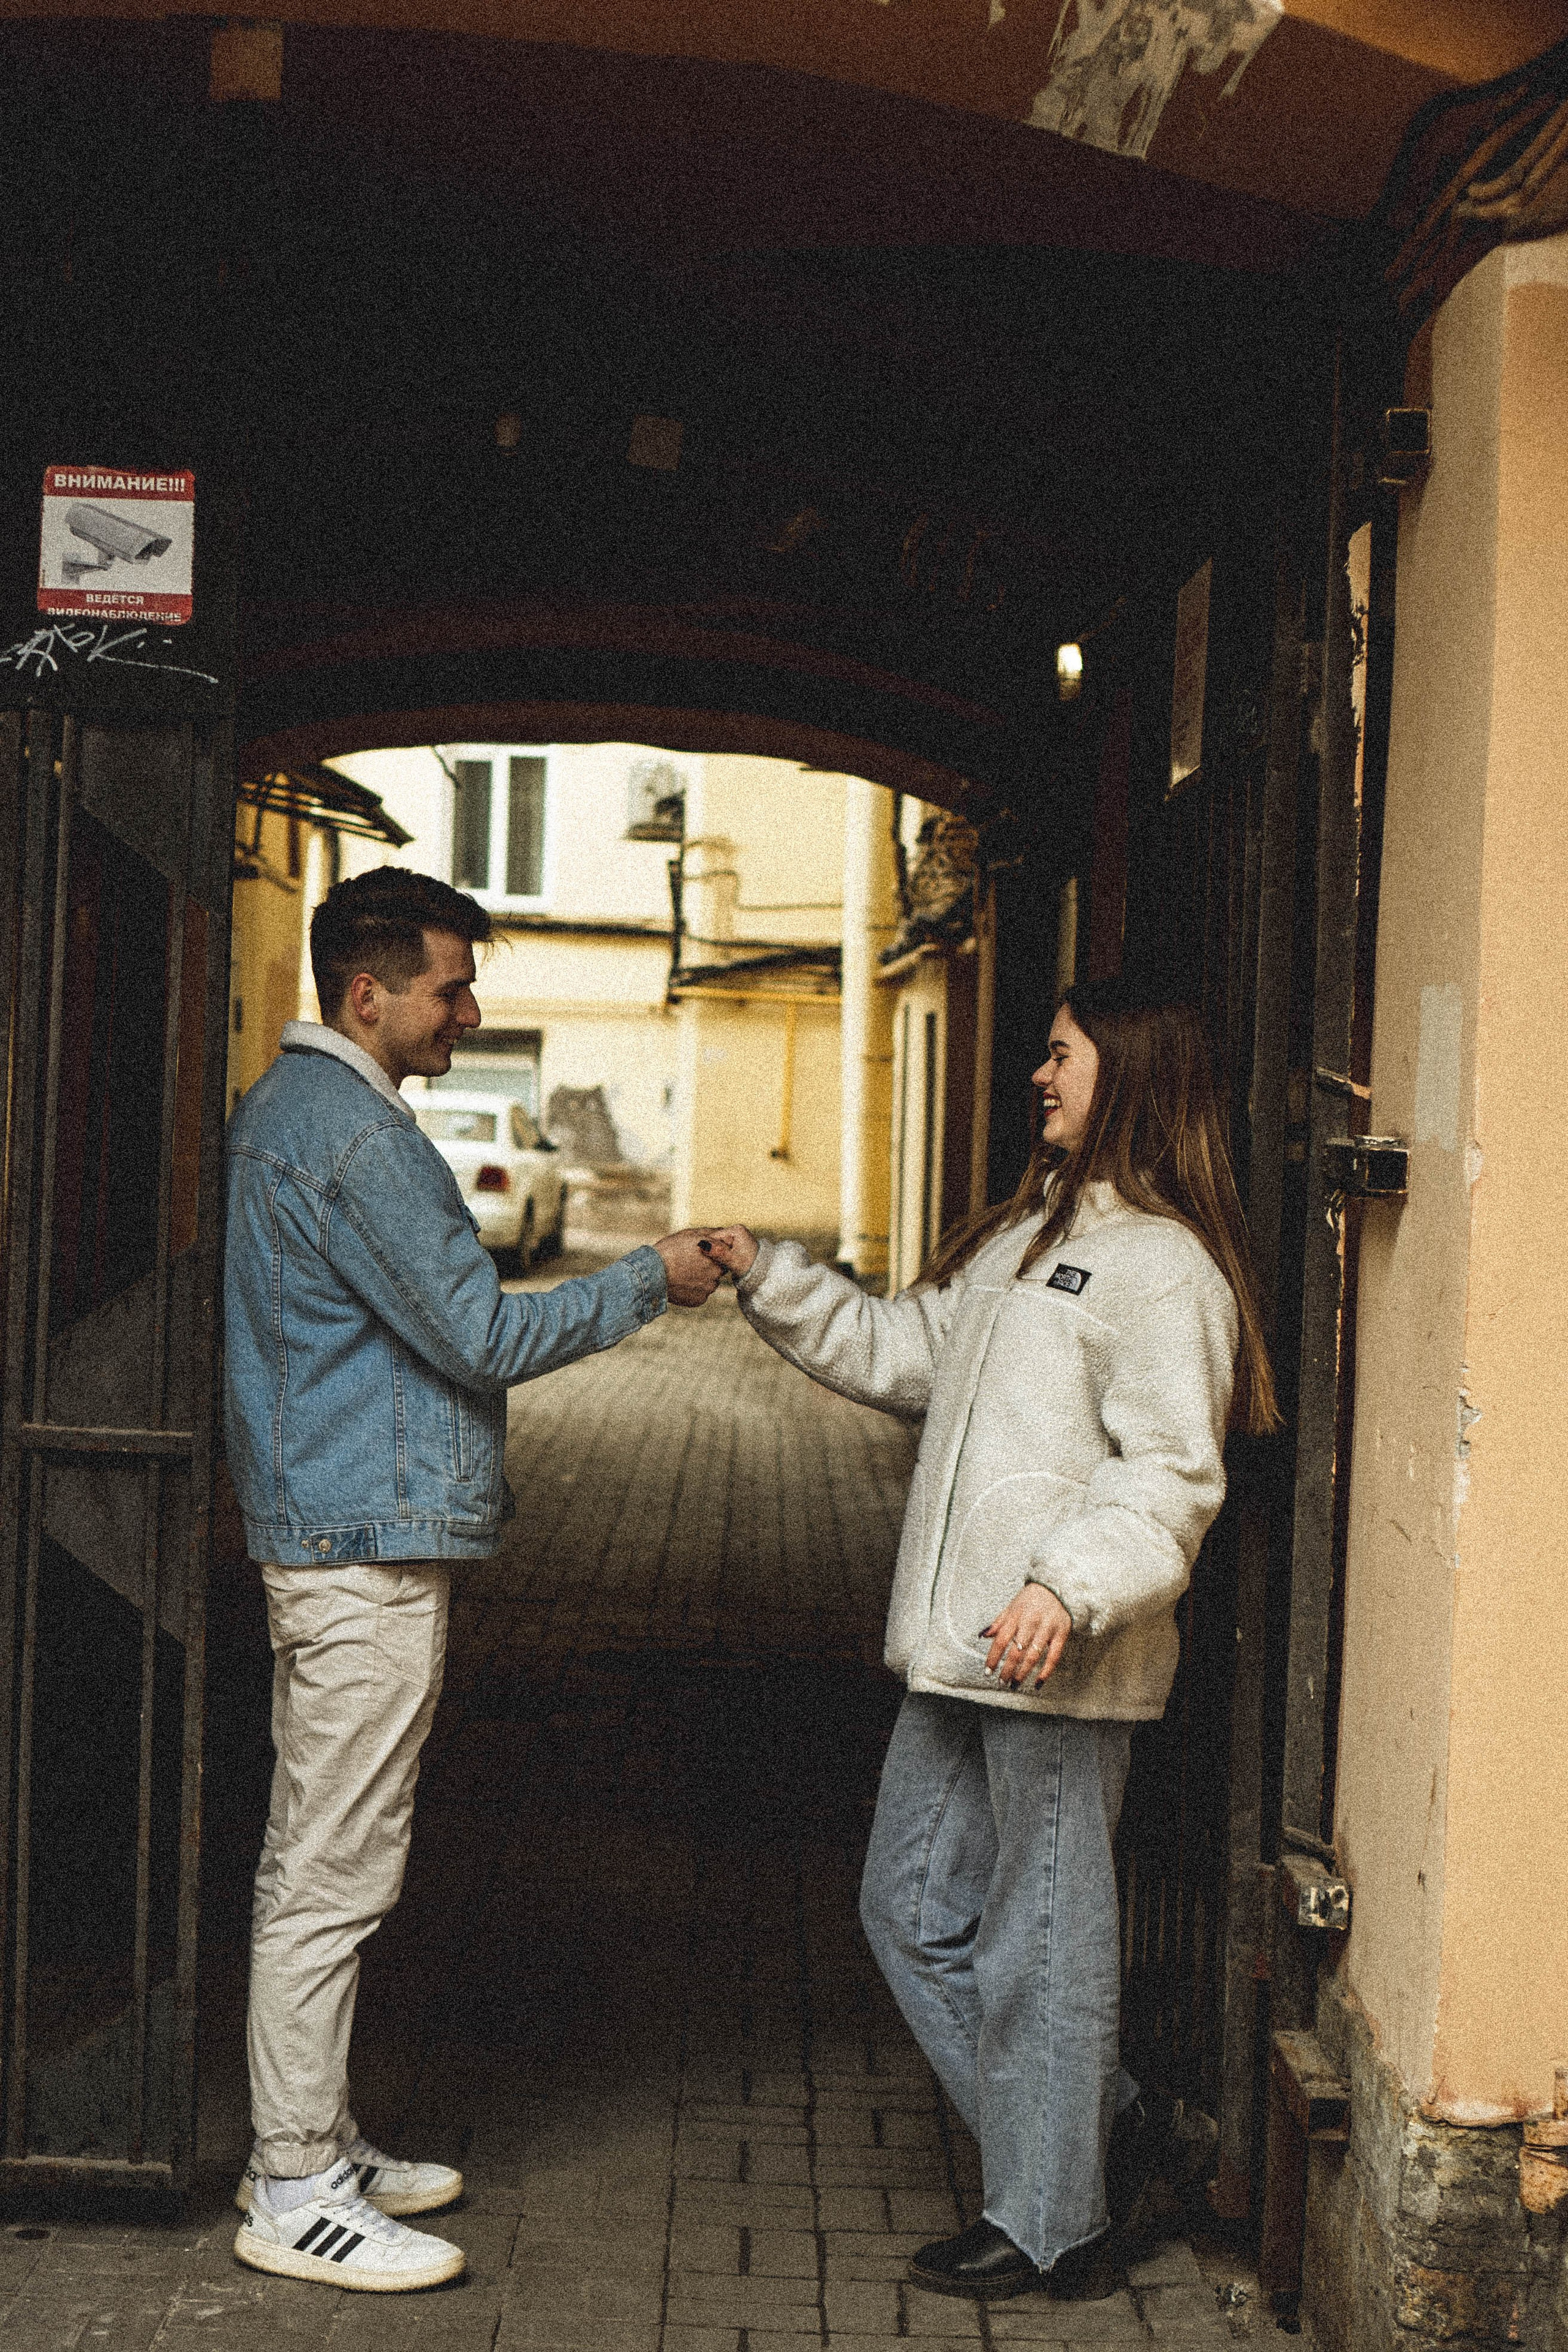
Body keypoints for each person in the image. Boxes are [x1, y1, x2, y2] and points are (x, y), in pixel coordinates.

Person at [702, 979, 1278, 2302]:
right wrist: (769, 1276)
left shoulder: (1162, 1267)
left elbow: (1172, 1477)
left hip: (1057, 1661)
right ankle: (1109, 2124)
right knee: (905, 1911)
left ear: (1126, 1071)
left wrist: (1066, 1589)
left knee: (1041, 1941)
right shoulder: (1028, 1233)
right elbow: (906, 1353)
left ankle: (1053, 2219)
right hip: (963, 1650)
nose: (1038, 1072)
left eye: (1061, 1052)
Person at [223, 866, 722, 2293]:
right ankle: (296, 2184)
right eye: (449, 984)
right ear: (366, 992)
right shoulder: (358, 1140)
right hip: (363, 1553)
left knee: (312, 1861)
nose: (470, 1007)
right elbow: (481, 1340)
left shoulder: (287, 1113)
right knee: (333, 1874)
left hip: (328, 1528)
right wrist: (648, 1278)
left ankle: (309, 2135)